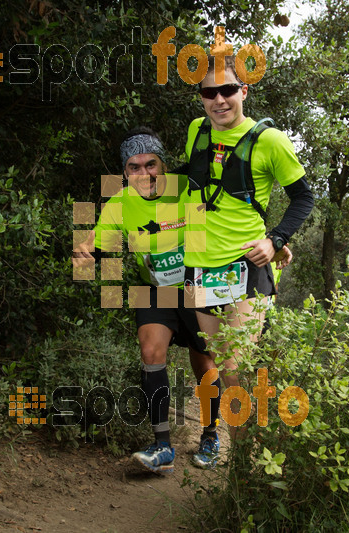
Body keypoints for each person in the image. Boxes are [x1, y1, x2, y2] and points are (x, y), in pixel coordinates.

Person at [73, 127, 294, 473]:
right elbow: (98, 241)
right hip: (157, 290)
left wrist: (274, 241)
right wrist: (86, 250)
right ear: (124, 172)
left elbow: (230, 218)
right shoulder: (119, 203)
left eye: (151, 164)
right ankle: (162, 446)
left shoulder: (187, 187)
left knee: (205, 364)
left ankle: (209, 435)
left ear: (163, 164)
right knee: (150, 350)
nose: (144, 173)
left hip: (197, 285)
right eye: (133, 167)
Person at [177, 55, 314, 469]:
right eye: (209, 92)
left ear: (244, 91)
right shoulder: (195, 131)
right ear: (201, 98)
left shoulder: (270, 140)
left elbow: (303, 198)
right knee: (210, 363)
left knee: (235, 369)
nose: (219, 100)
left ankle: (244, 472)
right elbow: (196, 187)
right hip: (200, 266)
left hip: (247, 267)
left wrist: (276, 240)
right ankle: (213, 438)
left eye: (227, 90)